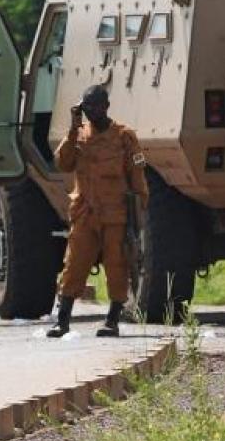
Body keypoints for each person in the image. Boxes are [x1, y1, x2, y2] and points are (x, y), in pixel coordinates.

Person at [48, 85, 150, 339]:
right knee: (74, 264)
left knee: (117, 265)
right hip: (85, 213)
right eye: (87, 107)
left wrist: (139, 212)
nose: (91, 112)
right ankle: (63, 321)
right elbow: (62, 163)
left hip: (116, 215)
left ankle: (112, 320)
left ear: (106, 106)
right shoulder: (79, 136)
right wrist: (73, 127)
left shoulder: (124, 137)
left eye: (95, 106)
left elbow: (137, 178)